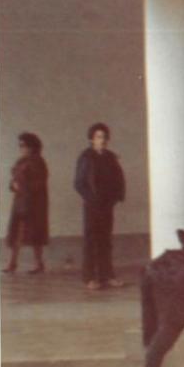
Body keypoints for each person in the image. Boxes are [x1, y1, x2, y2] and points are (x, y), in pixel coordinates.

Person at [73, 123, 125, 290]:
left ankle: (107, 275)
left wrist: (117, 196)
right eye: (98, 137)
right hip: (92, 205)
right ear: (91, 139)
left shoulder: (110, 157)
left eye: (104, 137)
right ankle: (89, 278)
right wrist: (91, 199)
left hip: (107, 205)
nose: (102, 140)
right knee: (91, 240)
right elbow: (79, 183)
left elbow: (119, 177)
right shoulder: (86, 157)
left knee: (105, 240)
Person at [5, 132, 49, 274]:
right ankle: (12, 263)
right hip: (20, 202)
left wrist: (21, 186)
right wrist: (14, 185)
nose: (21, 148)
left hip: (34, 203)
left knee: (34, 234)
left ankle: (38, 264)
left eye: (24, 145)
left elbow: (39, 183)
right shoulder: (20, 161)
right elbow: (14, 180)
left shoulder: (38, 162)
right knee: (17, 233)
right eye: (20, 145)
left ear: (32, 146)